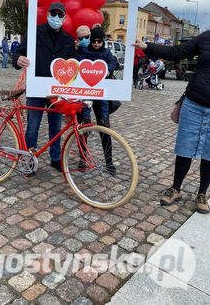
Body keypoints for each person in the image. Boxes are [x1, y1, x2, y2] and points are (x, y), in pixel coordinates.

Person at [134, 31, 210, 214]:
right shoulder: (206, 37)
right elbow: (176, 52)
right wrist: (147, 46)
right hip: (193, 102)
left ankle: (202, 193)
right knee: (184, 148)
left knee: (209, 152)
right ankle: (176, 188)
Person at [13, 2, 75, 172]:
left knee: (56, 126)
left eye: (60, 15)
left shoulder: (68, 39)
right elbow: (19, 52)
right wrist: (17, 59)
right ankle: (28, 158)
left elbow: (73, 64)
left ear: (64, 17)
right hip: (36, 87)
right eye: (53, 13)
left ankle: (55, 158)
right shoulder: (34, 32)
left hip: (56, 89)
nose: (56, 17)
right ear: (48, 14)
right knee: (33, 125)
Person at [76, 26, 118, 174]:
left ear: (103, 41)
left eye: (99, 41)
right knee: (84, 127)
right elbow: (76, 63)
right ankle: (83, 158)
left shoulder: (106, 53)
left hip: (101, 95)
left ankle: (109, 161)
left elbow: (114, 63)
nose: (96, 44)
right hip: (85, 93)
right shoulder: (84, 52)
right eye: (93, 41)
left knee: (104, 127)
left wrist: (108, 69)